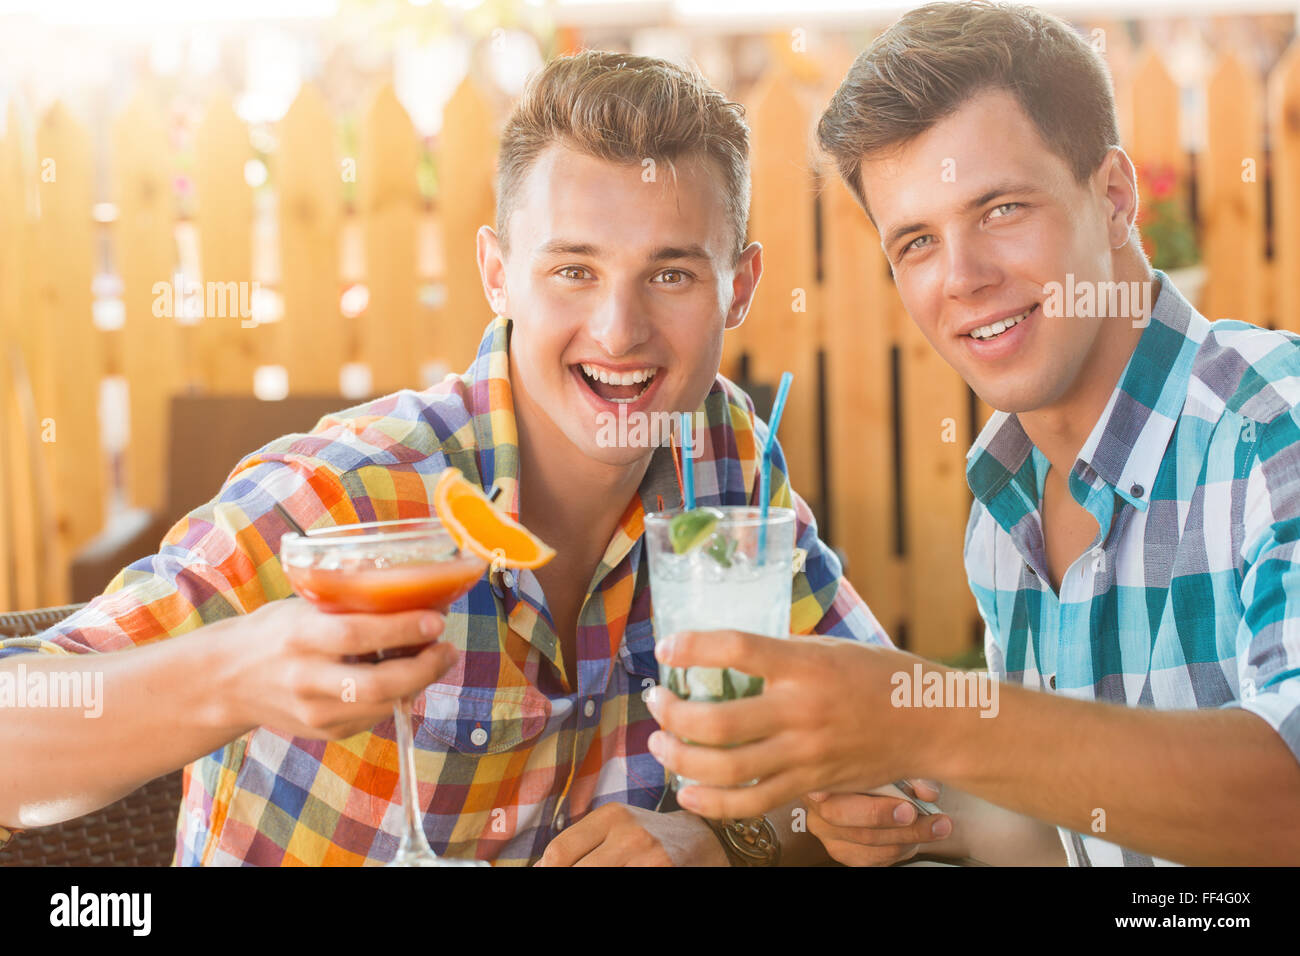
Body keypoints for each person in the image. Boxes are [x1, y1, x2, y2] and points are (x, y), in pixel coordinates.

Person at [0, 51, 891, 867]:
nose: (620, 331)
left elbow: (883, 757)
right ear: (497, 274)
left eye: (671, 274)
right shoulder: (348, 496)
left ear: (739, 287)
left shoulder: (722, 454)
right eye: (573, 271)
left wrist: (722, 839)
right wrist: (234, 673)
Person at [645, 1, 1300, 865]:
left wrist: (931, 716)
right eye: (916, 241)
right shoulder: (1007, 499)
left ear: (1112, 197)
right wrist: (874, 804)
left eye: (999, 210)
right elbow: (1075, 834)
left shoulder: (1271, 428)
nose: (963, 279)